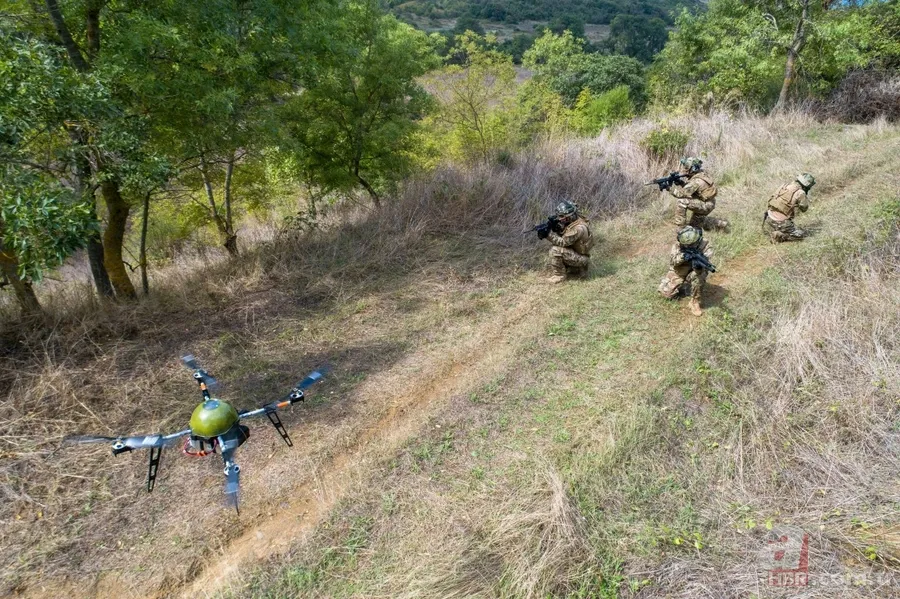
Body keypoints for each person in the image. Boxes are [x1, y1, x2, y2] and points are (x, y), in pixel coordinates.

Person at [658, 226, 714, 317]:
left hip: (696, 270)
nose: (689, 246)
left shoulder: (705, 244)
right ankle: (683, 285)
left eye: (692, 244)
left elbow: (707, 259)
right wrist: (683, 257)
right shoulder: (678, 245)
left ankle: (694, 301)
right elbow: (673, 262)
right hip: (680, 268)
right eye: (687, 245)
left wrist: (697, 266)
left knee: (699, 276)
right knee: (666, 294)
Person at [669, 157, 729, 232]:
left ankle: (680, 229)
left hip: (705, 205)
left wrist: (668, 188)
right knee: (694, 226)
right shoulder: (701, 174)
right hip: (708, 203)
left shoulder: (696, 181)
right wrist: (681, 183)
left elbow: (680, 194)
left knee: (681, 201)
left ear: (693, 168)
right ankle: (720, 223)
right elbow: (692, 190)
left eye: (687, 167)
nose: (685, 169)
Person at [545, 200, 594, 284]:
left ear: (570, 216)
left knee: (555, 250)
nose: (560, 219)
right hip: (579, 255)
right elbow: (567, 235)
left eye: (562, 216)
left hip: (581, 259)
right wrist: (557, 228)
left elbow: (563, 242)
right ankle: (574, 269)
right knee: (557, 248)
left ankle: (559, 275)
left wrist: (547, 235)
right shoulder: (577, 220)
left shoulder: (578, 228)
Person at [764, 173, 815, 242]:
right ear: (807, 186)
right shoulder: (800, 193)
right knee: (802, 235)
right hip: (781, 222)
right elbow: (804, 208)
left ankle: (778, 229)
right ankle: (779, 235)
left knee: (785, 224)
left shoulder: (785, 186)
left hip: (769, 217)